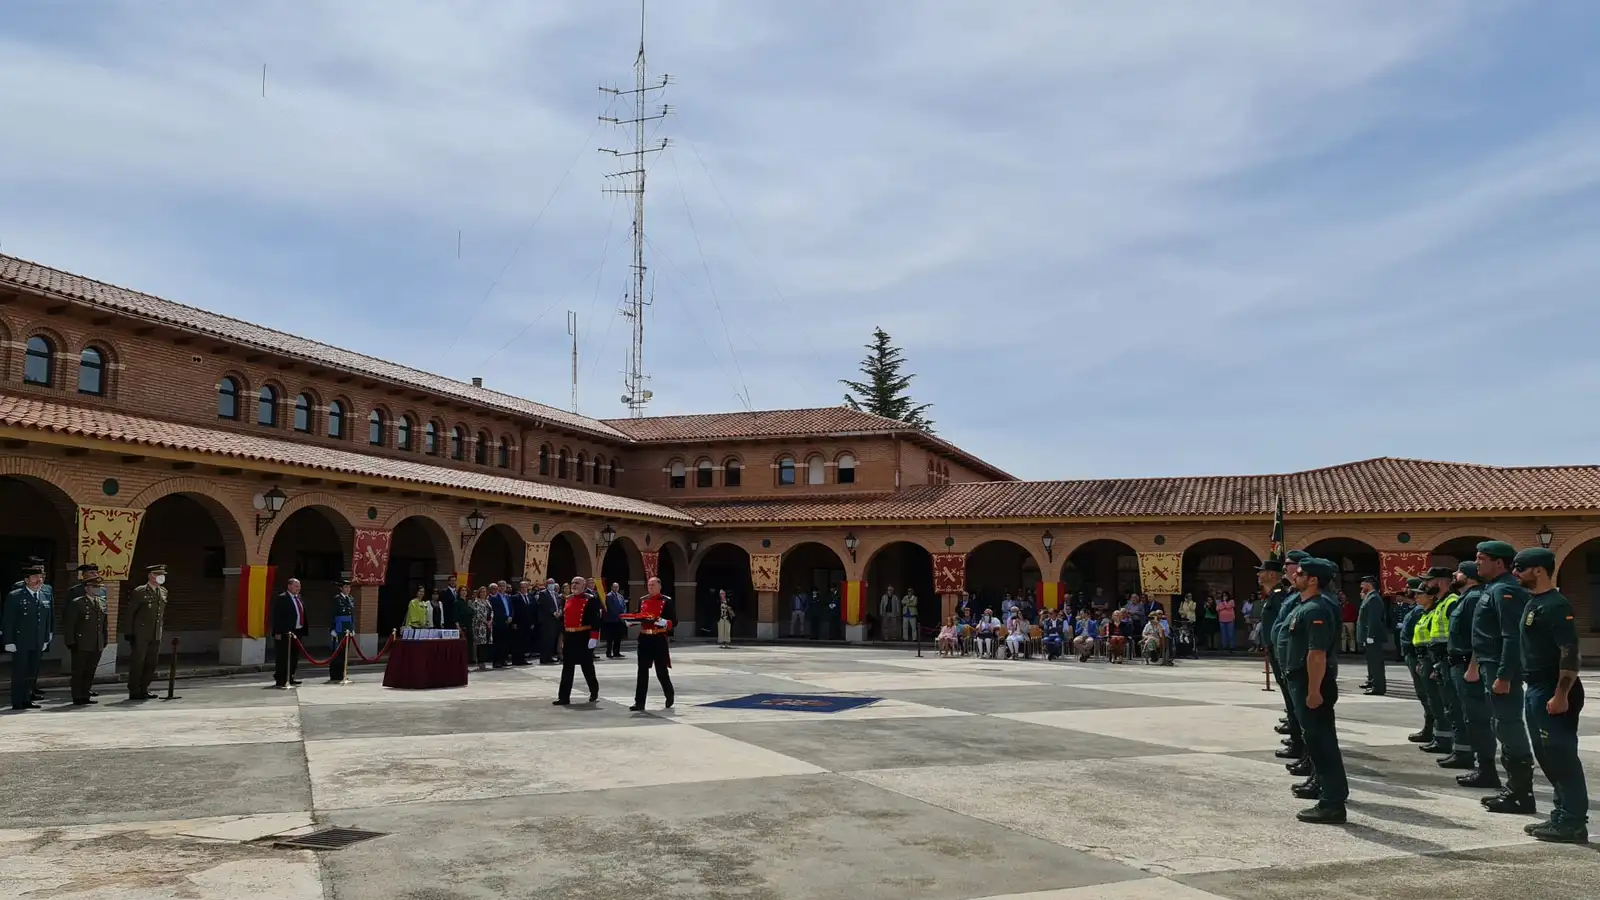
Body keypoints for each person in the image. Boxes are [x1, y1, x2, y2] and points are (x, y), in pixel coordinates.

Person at [1511, 547, 1588, 843]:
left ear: (1539, 570)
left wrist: (1561, 694)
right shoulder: (1535, 602)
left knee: (1562, 755)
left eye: (1521, 568)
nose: (1515, 573)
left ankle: (1572, 822)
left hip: (1552, 689)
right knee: (1547, 755)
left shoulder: (1556, 604)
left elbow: (1570, 652)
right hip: (1536, 688)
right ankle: (1562, 813)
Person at [1471, 540, 1537, 815]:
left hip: (1499, 668)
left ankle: (1520, 794)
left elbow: (1511, 636)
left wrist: (1505, 675)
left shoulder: (1506, 590)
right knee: (1503, 724)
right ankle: (1514, 789)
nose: (1476, 563)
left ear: (1498, 562)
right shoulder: (1494, 588)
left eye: (1481, 558)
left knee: (1509, 725)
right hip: (1490, 665)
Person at [1284, 558, 1348, 824]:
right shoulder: (1306, 606)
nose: (1294, 576)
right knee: (1318, 742)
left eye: (1300, 573)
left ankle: (1332, 804)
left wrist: (1313, 691)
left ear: (1312, 580)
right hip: (1303, 681)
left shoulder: (1317, 608)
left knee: (1322, 745)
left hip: (1312, 683)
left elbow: (1317, 655)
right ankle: (1331, 794)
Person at [1448, 562, 1498, 789]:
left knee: (1478, 718)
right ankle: (1482, 766)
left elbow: (1477, 637)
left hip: (1469, 665)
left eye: (1458, 572)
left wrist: (1473, 666)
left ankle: (1487, 769)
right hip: (1461, 664)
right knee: (1471, 718)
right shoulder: (1466, 598)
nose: (1454, 575)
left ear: (1468, 577)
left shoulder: (1474, 598)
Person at [1420, 566, 1463, 757]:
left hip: (1449, 661)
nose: (1427, 584)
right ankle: (1445, 741)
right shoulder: (1440, 603)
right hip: (1439, 660)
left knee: (1453, 707)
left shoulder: (1452, 602)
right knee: (1443, 705)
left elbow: (1455, 635)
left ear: (1441, 581)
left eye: (1430, 580)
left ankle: (1460, 750)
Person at [2, 561, 51, 710]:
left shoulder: (44, 594)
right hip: (20, 641)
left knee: (32, 671)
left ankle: (27, 699)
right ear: (27, 580)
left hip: (37, 640)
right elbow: (8, 620)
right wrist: (8, 640)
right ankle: (17, 701)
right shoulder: (15, 596)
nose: (39, 580)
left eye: (41, 577)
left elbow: (48, 618)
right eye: (35, 577)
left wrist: (46, 637)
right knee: (20, 672)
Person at [626, 576, 676, 711]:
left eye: (653, 585)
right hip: (644, 638)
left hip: (658, 638)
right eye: (649, 585)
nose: (650, 587)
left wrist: (665, 622)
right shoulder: (643, 600)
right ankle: (639, 702)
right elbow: (639, 615)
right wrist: (631, 621)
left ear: (660, 586)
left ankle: (669, 694)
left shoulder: (667, 601)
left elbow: (674, 621)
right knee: (642, 671)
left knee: (661, 670)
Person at [63, 564, 108, 705]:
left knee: (90, 670)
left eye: (98, 586)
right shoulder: (78, 603)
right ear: (87, 587)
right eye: (94, 586)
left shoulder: (101, 602)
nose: (97, 589)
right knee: (79, 671)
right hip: (81, 642)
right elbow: (70, 623)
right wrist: (70, 641)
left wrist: (104, 640)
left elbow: (104, 624)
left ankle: (85, 693)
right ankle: (77, 696)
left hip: (96, 642)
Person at [553, 576, 601, 706]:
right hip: (570, 637)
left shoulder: (590, 600)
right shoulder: (567, 599)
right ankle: (563, 697)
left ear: (584, 586)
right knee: (567, 668)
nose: (574, 585)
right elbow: (567, 617)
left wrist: (594, 637)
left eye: (577, 583)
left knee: (587, 667)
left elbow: (595, 620)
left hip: (583, 636)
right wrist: (560, 618)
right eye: (572, 583)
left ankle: (594, 690)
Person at [1397, 578, 1434, 746]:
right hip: (1413, 655)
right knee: (1423, 694)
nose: (1407, 591)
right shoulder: (1414, 609)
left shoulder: (1420, 610)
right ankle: (1430, 728)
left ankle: (1432, 729)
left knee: (1427, 694)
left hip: (1419, 656)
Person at [126, 564, 168, 701]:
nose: (161, 577)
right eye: (157, 574)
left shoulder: (163, 592)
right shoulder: (140, 591)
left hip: (155, 633)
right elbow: (130, 612)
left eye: (162, 575)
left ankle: (144, 688)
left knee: (151, 662)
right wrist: (129, 631)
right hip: (141, 632)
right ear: (150, 575)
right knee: (138, 662)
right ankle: (134, 689)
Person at [271, 577, 309, 689]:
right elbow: (277, 616)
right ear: (289, 586)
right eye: (296, 586)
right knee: (283, 656)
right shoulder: (282, 598)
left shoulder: (299, 598)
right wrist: (277, 631)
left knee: (294, 656)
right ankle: (281, 678)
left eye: (299, 586)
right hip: (285, 632)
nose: (298, 588)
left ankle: (290, 677)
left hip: (297, 632)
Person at [1355, 574, 1387, 695]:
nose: (1361, 586)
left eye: (1363, 583)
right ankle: (1372, 681)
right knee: (1371, 661)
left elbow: (1374, 619)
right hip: (1367, 635)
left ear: (1369, 584)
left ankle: (1378, 687)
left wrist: (1371, 635)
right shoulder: (1369, 597)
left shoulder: (1373, 598)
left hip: (1373, 636)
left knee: (1376, 663)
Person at [329, 578, 356, 683]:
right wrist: (332, 628)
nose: (348, 589)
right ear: (341, 588)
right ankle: (335, 675)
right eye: (345, 587)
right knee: (337, 652)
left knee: (345, 652)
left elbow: (352, 615)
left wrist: (352, 628)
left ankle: (343, 673)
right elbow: (332, 614)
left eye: (349, 587)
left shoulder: (351, 599)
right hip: (338, 628)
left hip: (347, 628)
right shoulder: (337, 599)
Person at [465, 585, 492, 671]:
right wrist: (485, 622)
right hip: (479, 626)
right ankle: (480, 663)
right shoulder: (476, 602)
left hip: (488, 625)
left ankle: (484, 661)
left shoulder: (487, 601)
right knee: (480, 644)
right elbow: (477, 613)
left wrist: (490, 621)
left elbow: (492, 612)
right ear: (479, 593)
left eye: (485, 592)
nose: (483, 593)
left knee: (486, 643)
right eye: (482, 592)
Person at [488, 581, 514, 669]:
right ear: (498, 587)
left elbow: (511, 608)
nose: (503, 588)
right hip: (499, 623)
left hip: (508, 622)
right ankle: (497, 661)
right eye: (501, 586)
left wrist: (510, 616)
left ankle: (503, 660)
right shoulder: (494, 598)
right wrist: (504, 618)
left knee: (505, 643)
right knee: (498, 643)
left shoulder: (508, 597)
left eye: (504, 586)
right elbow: (495, 611)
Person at [538, 578, 563, 664]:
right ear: (546, 585)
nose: (551, 585)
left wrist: (559, 611)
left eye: (553, 583)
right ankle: (544, 658)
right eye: (550, 583)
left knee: (552, 639)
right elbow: (544, 605)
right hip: (547, 619)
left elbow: (559, 604)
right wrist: (553, 612)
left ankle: (549, 656)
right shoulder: (543, 593)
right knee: (546, 639)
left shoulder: (556, 594)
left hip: (555, 620)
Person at [603, 583, 627, 659]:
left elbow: (624, 606)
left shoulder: (621, 596)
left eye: (617, 587)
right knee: (610, 638)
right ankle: (609, 652)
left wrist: (623, 615)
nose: (615, 588)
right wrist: (618, 615)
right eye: (614, 587)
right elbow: (611, 607)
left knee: (618, 637)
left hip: (619, 620)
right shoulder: (609, 596)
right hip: (611, 620)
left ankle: (616, 652)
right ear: (611, 587)